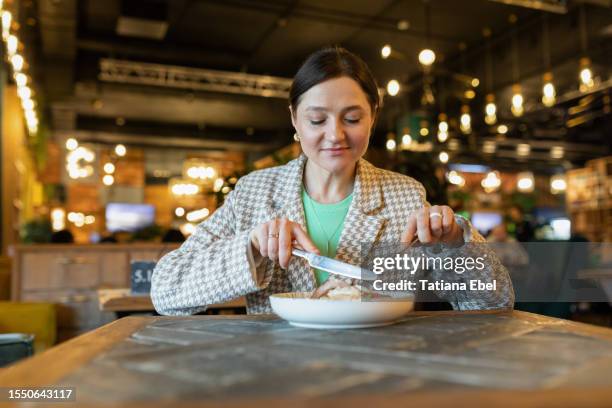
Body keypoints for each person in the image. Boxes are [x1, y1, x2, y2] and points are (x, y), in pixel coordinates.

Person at [151, 46, 514, 315]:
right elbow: (166, 292)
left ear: (373, 116)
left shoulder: (404, 196)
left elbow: (493, 303)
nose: (335, 134)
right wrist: (251, 247)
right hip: (275, 374)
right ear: (294, 119)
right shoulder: (254, 194)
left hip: (376, 374)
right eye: (317, 120)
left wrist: (454, 243)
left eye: (352, 118)